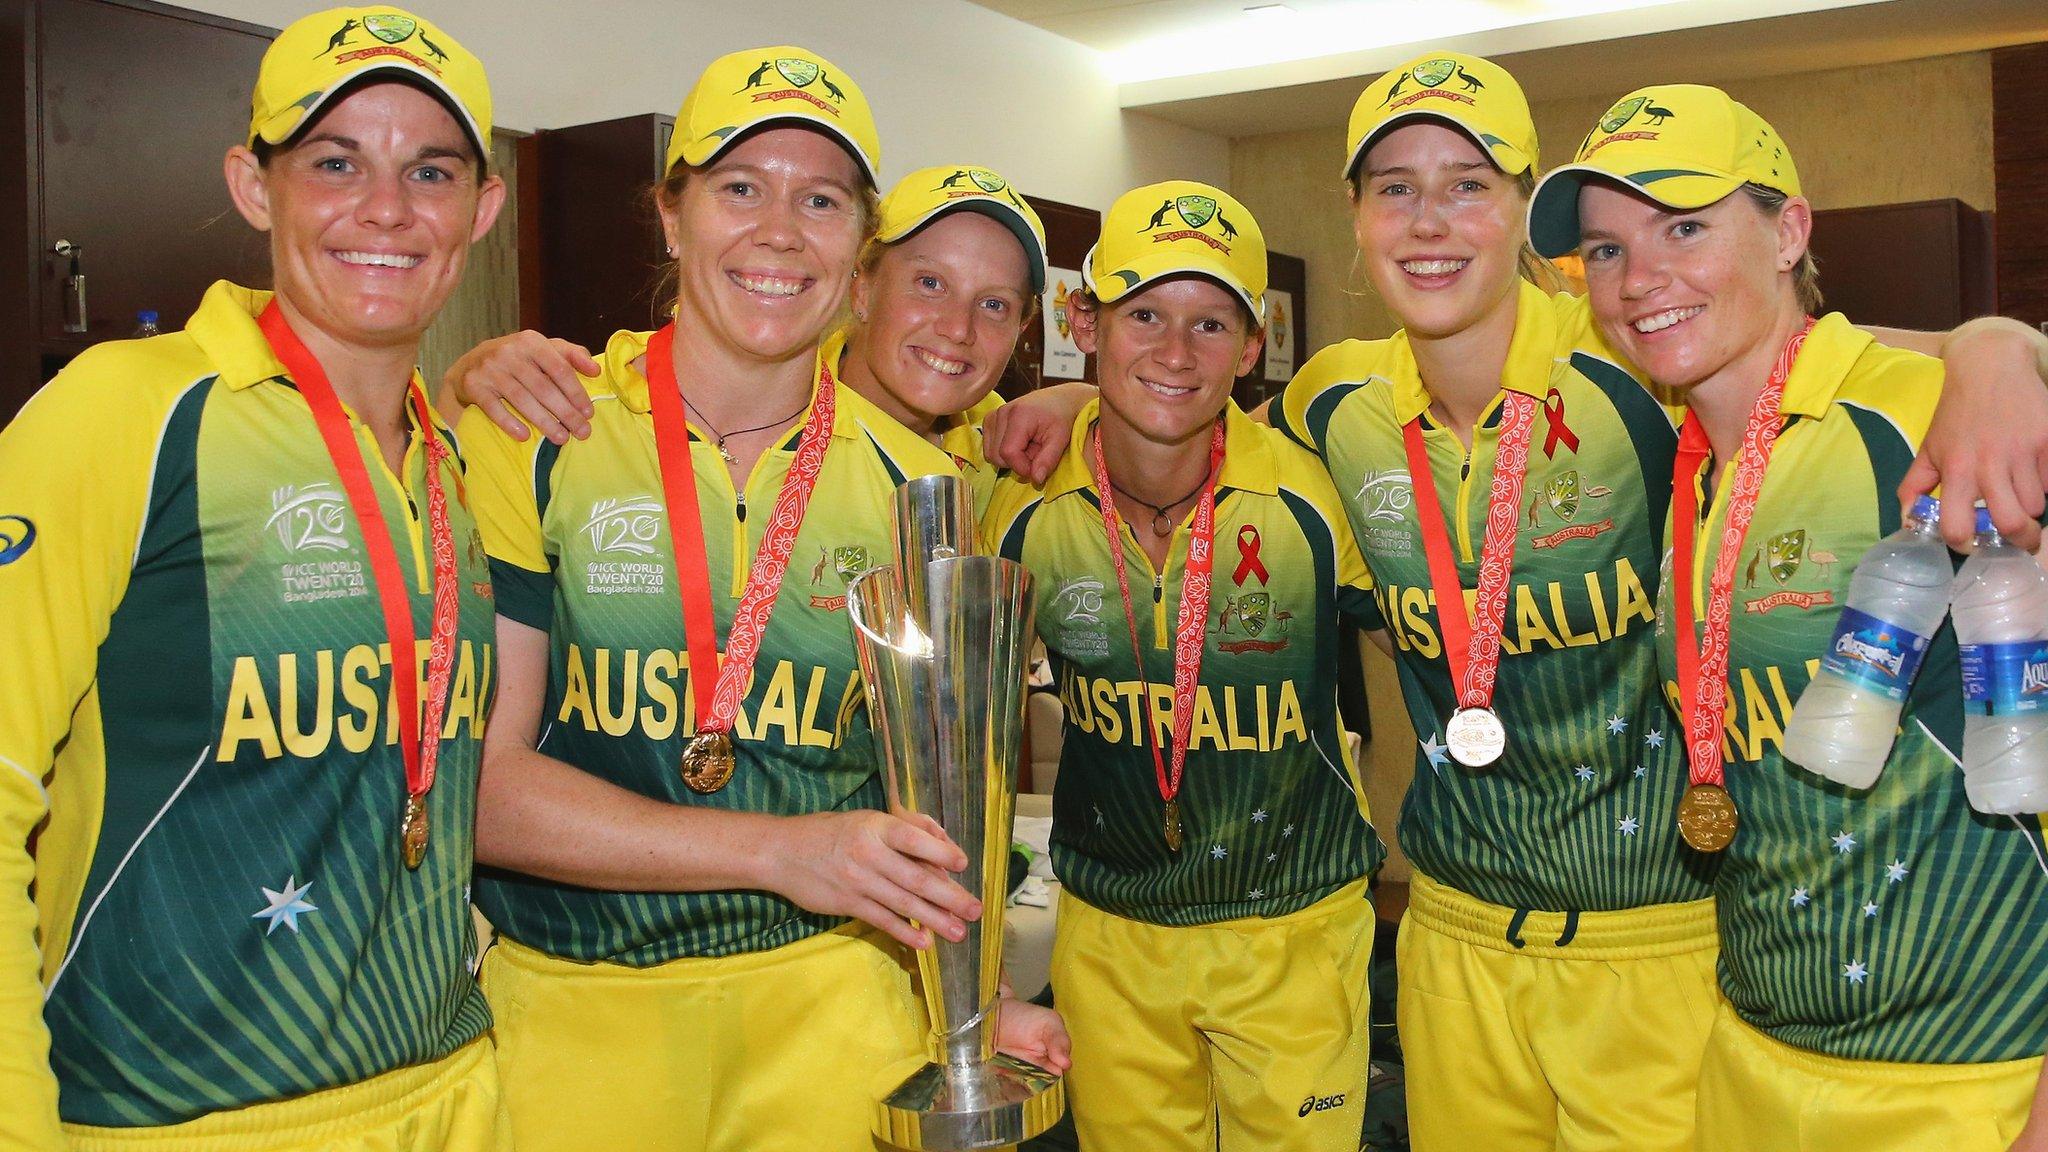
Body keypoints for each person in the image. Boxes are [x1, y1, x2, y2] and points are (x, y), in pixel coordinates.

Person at [455, 48, 1062, 1152]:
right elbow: (481, 789)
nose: (781, 231)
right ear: (671, 215)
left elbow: (929, 804)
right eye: (742, 187)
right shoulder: (537, 435)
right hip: (576, 1015)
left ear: (855, 250)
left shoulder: (915, 490)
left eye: (820, 199)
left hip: (836, 1010)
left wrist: (974, 1003)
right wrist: (781, 851)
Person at [0, 7, 508, 1149]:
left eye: (428, 170)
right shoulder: (126, 411)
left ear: (481, 210)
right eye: (335, 163)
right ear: (252, 185)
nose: (385, 209)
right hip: (177, 1117)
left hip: (452, 1092)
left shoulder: (456, 457)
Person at [1529, 81, 2048, 1152]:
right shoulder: (1682, 468)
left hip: (1961, 1081)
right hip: (1749, 1056)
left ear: (1787, 231)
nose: (1639, 279)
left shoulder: (1920, 416)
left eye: (1682, 226)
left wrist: (2002, 344)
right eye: (1605, 250)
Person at [982, 181, 1384, 1151]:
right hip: (1111, 932)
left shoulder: (1317, 493)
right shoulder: (1017, 507)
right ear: (1083, 321)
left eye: (1210, 324)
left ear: (1252, 348)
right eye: (1144, 315)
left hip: (1294, 929)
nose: (1173, 353)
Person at [447, 161, 1047, 519]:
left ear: (1022, 329)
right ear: (861, 285)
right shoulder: (747, 412)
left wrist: (1080, 406)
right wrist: (462, 381)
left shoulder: (1009, 453)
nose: (958, 328)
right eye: (929, 283)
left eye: (994, 304)